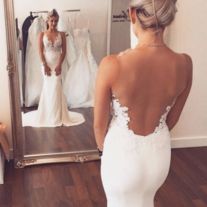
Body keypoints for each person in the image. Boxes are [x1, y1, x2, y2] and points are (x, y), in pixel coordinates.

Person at [94, 0, 192, 206]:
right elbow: (171, 120)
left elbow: (98, 126)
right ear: (169, 18)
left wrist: (108, 151)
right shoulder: (185, 64)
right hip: (158, 158)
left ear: (132, 14)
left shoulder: (112, 64)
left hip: (121, 157)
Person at [22, 9, 85, 127]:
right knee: (47, 88)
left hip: (57, 64)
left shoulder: (61, 34)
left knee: (56, 86)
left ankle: (57, 115)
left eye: (56, 21)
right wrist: (44, 65)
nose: (54, 23)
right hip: (46, 64)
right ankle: (47, 114)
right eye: (52, 21)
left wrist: (59, 65)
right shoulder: (42, 34)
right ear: (47, 20)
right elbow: (40, 52)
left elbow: (64, 51)